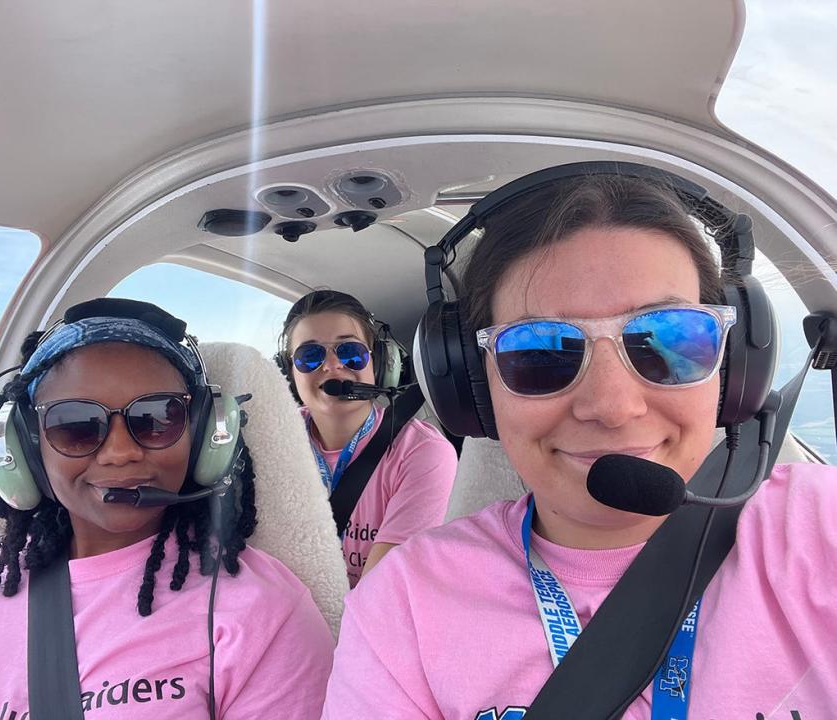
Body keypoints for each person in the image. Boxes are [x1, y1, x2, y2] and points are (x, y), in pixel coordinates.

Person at [322, 170, 837, 717]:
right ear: (473, 388)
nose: (613, 407)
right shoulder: (405, 606)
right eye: (541, 353)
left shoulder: (818, 526)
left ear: (732, 368)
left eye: (667, 338)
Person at [0, 298, 334, 719]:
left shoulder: (261, 614)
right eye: (75, 425)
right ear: (24, 446)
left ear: (203, 435)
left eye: (157, 418)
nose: (120, 452)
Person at [278, 290, 458, 586]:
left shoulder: (422, 453)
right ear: (291, 374)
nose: (332, 365)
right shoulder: (275, 439)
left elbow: (381, 592)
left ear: (380, 363)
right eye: (309, 356)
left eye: (349, 351)